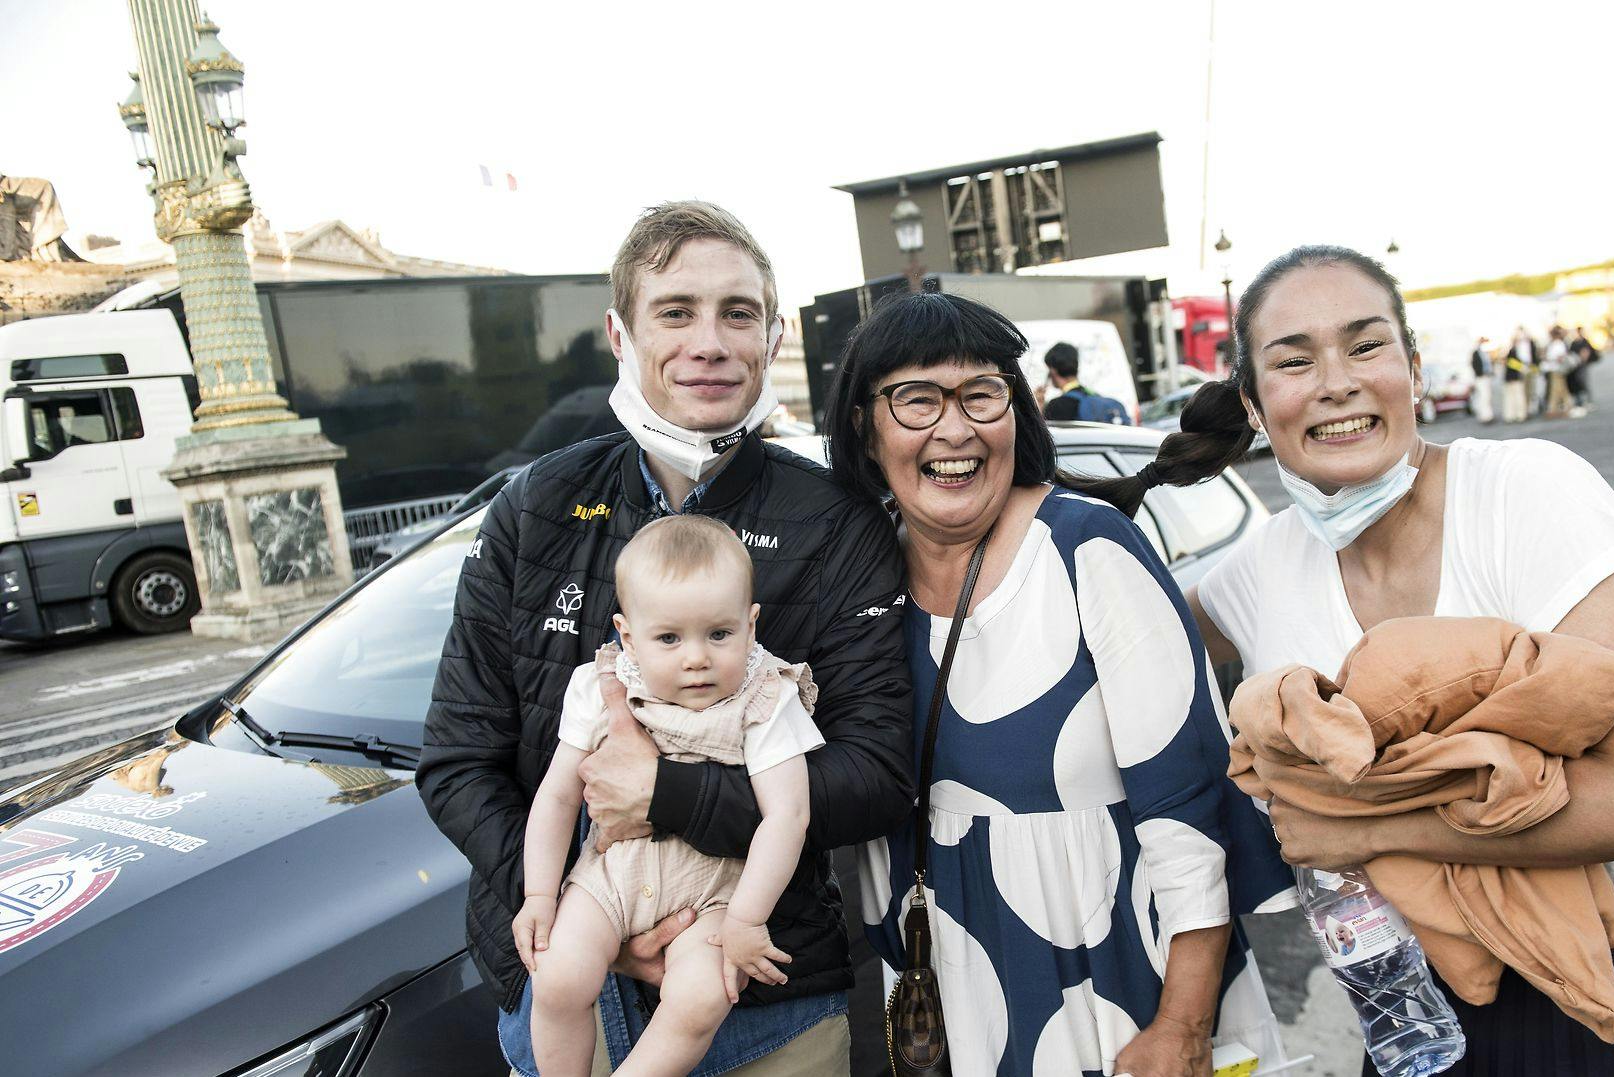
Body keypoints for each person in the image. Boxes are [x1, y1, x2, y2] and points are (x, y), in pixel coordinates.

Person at [1112, 244, 1614, 1075]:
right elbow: (1120, 640)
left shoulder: (1525, 491)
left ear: (1413, 368)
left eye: (1366, 346)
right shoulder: (1264, 566)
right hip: (1426, 1009)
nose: (1336, 381)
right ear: (1257, 407)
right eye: (1294, 360)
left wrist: (1362, 823)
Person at [419, 201, 914, 1077]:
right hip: (562, 994)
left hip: (764, 999)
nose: (709, 342)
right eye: (675, 311)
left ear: (774, 333)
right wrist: (585, 915)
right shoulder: (534, 506)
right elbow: (459, 760)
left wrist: (665, 793)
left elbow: (876, 777)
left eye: (738, 312)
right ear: (620, 331)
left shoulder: (839, 520)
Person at [828, 292, 1294, 1076]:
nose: (955, 428)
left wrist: (1183, 1021)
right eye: (916, 399)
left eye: (981, 393)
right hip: (950, 998)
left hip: (1115, 987)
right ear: (866, 431)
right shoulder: (860, 578)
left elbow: (1189, 804)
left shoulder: (1086, 548)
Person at [517, 517, 822, 1077]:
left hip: (712, 898)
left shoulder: (765, 699)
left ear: (751, 625)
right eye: (669, 638)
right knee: (558, 980)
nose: (696, 658)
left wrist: (747, 920)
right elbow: (557, 797)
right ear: (627, 635)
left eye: (719, 634)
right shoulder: (601, 686)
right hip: (609, 881)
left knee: (702, 997)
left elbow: (789, 815)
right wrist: (539, 895)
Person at [1041, 340, 1132, 424]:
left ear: (1052, 370)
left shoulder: (1056, 406)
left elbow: (1045, 438)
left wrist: (1039, 408)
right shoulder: (1093, 396)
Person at [1542, 326, 1574, 417]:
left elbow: (1561, 357)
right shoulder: (1554, 344)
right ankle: (1566, 406)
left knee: (1556, 390)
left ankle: (1554, 409)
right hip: (1554, 369)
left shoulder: (1558, 344)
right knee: (1561, 389)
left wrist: (1549, 358)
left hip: (1557, 369)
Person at [1501, 329, 1530, 423]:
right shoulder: (1515, 352)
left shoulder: (1512, 351)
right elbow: (1514, 365)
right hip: (1515, 378)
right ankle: (1518, 415)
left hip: (1511, 378)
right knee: (1517, 396)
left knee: (1512, 397)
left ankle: (1512, 415)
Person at [1569, 326, 1599, 415]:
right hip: (1575, 366)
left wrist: (1582, 361)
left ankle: (1588, 401)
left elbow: (1586, 353)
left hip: (1582, 365)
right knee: (1577, 382)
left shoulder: (1584, 342)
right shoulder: (1574, 343)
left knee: (1584, 382)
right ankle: (1581, 401)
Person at [1469, 337, 1495, 424]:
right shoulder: (1476, 353)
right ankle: (1485, 416)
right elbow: (1474, 365)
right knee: (1483, 397)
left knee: (1487, 396)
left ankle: (1488, 415)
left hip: (1486, 376)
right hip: (1481, 377)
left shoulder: (1484, 353)